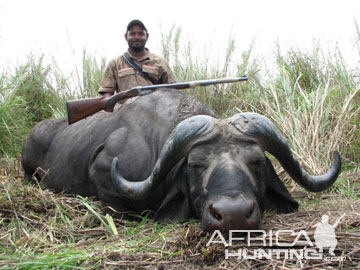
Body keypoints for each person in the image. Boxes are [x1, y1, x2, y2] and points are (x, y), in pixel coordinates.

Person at [99, 19, 176, 97]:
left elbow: (173, 90)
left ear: (147, 36)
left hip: (154, 109)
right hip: (125, 109)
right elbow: (106, 91)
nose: (136, 37)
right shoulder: (115, 63)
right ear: (126, 37)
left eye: (141, 34)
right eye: (132, 34)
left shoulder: (160, 62)